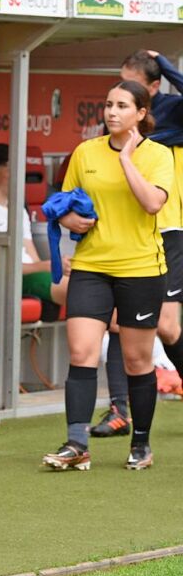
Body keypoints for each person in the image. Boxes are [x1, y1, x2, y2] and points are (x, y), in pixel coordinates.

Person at [42, 81, 173, 471]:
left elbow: (152, 204)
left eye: (121, 106)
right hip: (91, 268)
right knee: (81, 353)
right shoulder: (85, 152)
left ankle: (141, 444)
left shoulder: (158, 155)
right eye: (107, 105)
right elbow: (62, 205)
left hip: (141, 269)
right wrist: (68, 218)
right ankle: (76, 443)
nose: (111, 112)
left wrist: (128, 160)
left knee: (137, 361)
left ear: (141, 113)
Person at [94, 50, 183, 437]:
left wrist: (165, 64)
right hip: (125, 235)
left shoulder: (175, 112)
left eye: (131, 88)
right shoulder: (114, 126)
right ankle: (118, 410)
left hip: (168, 230)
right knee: (119, 321)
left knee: (167, 327)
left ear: (151, 90)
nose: (119, 99)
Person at [0, 143, 69, 306]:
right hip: (9, 280)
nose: (19, 175)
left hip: (32, 274)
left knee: (85, 283)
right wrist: (45, 267)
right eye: (12, 169)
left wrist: (50, 266)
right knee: (83, 295)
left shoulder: (17, 207)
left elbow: (31, 253)